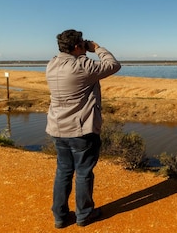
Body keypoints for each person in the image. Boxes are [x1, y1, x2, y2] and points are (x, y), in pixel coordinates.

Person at [45, 29, 121, 228]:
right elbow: (113, 65)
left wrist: (82, 49)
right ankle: (84, 214)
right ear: (78, 46)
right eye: (82, 44)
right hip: (81, 130)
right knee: (84, 172)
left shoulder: (51, 64)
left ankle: (60, 217)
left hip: (57, 128)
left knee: (63, 171)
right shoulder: (82, 65)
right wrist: (96, 48)